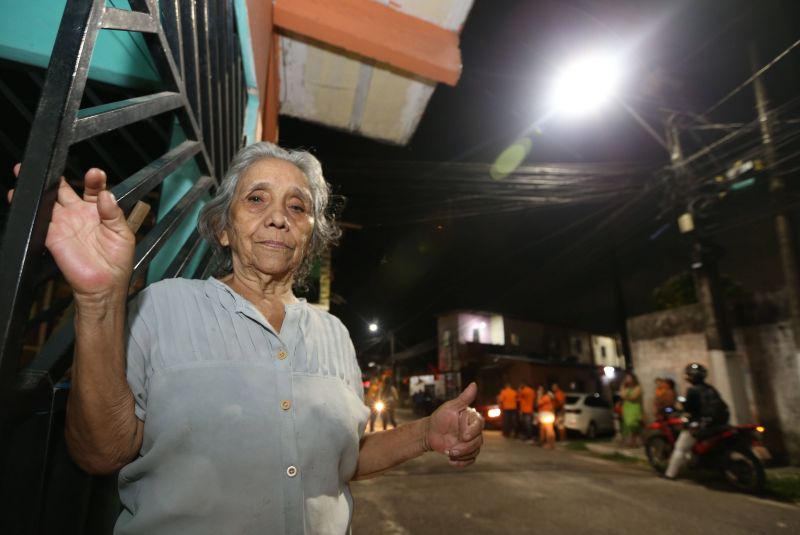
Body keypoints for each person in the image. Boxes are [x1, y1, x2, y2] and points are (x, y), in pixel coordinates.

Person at [11, 142, 484, 534]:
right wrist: (97, 302)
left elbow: (342, 460)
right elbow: (100, 452)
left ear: (311, 237)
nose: (279, 217)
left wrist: (425, 434)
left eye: (297, 207)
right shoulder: (162, 306)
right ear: (223, 228)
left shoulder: (336, 335)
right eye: (256, 199)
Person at [665, 363, 730, 480]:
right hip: (718, 423)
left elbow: (689, 409)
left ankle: (670, 474)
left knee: (680, 448)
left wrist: (682, 407)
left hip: (702, 424)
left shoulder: (692, 391)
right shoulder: (710, 388)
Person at [619, 371, 643, 447]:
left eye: (629, 378)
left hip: (634, 407)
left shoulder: (637, 387)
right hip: (627, 408)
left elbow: (634, 397)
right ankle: (632, 441)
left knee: (633, 423)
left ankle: (635, 440)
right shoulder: (626, 388)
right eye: (626, 378)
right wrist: (623, 385)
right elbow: (622, 395)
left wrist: (626, 397)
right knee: (627, 424)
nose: (628, 379)